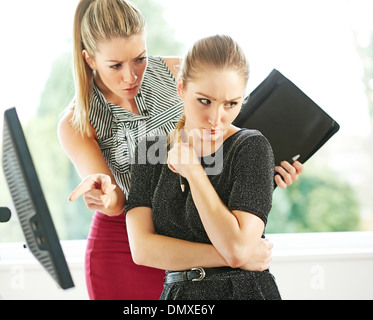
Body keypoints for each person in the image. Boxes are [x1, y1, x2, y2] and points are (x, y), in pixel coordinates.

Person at [58, 0, 302, 300]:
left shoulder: (177, 72)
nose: (131, 76)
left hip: (196, 224)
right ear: (90, 59)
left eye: (139, 58)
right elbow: (119, 201)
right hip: (128, 239)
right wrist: (106, 195)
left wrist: (262, 173)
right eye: (115, 65)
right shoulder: (77, 122)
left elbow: (226, 136)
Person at [125, 34, 281, 300]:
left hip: (242, 293)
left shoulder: (251, 147)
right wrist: (236, 256)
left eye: (231, 104)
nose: (215, 119)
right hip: (179, 297)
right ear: (182, 88)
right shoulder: (150, 151)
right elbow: (142, 250)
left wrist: (194, 172)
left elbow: (236, 248)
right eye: (205, 101)